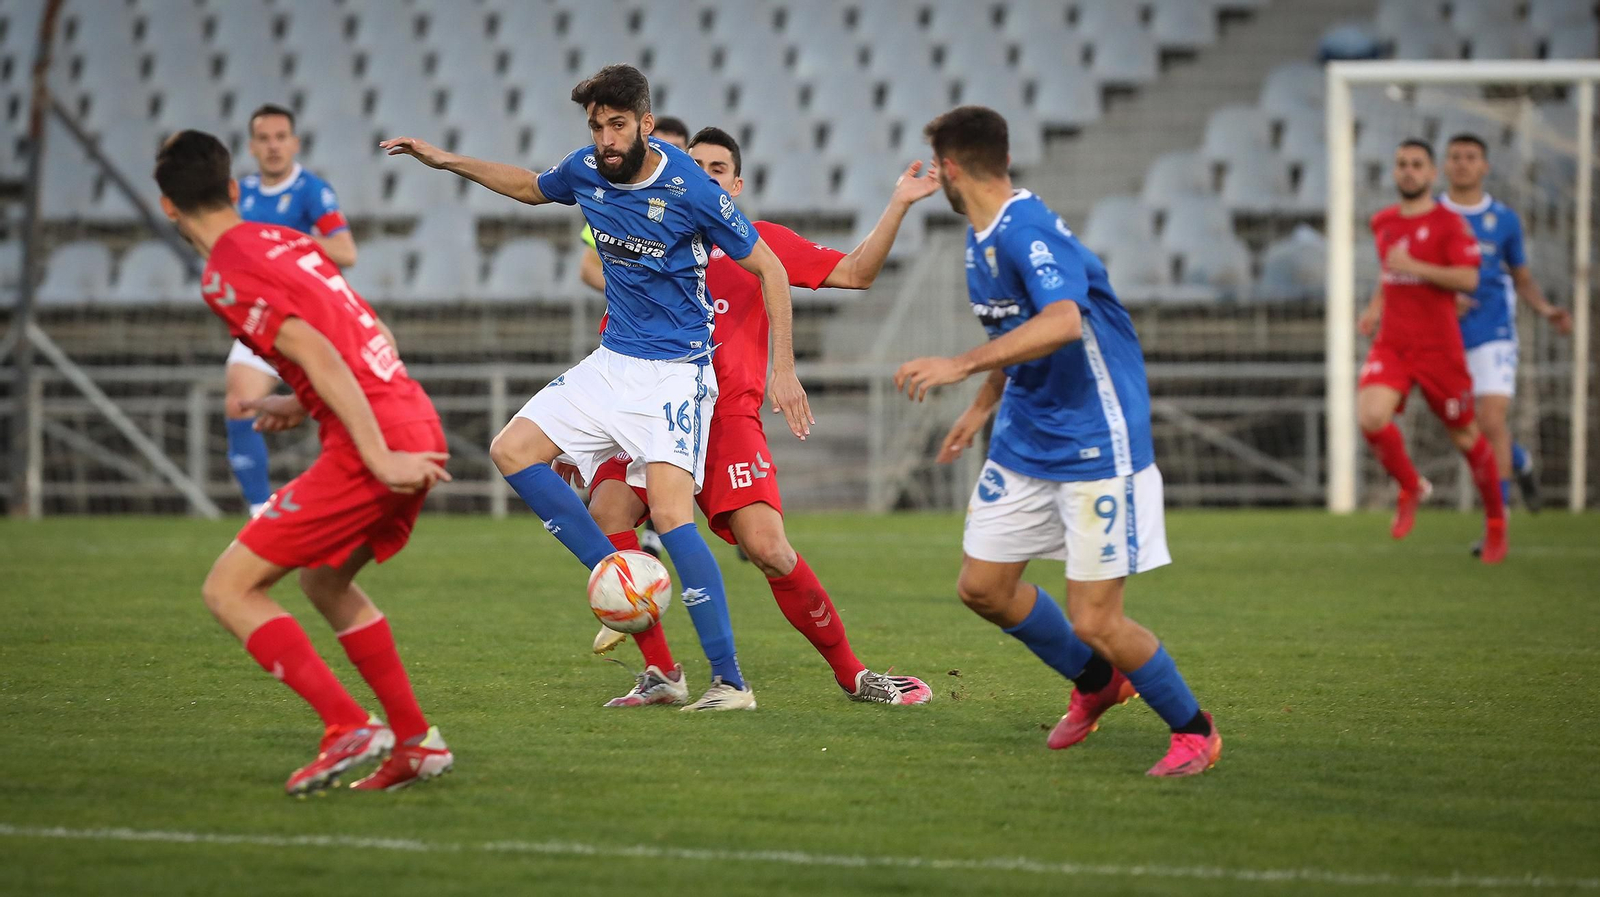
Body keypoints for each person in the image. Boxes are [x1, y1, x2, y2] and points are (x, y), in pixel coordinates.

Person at [381, 65, 811, 710]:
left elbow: (770, 266)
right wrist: (447, 162)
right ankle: (650, 647)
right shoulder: (586, 169)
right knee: (512, 450)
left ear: (644, 122)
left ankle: (731, 683)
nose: (606, 139)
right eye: (596, 127)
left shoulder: (690, 188)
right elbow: (529, 188)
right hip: (611, 363)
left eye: (617, 126)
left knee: (669, 517)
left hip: (675, 371)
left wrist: (784, 367)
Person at [894, 106, 1221, 777]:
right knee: (983, 585)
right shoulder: (979, 237)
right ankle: (1098, 682)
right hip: (1026, 438)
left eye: (938, 169)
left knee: (1097, 617)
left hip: (1096, 443)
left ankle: (1194, 728)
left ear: (953, 170)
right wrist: (984, 405)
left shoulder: (1027, 228)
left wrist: (960, 367)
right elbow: (1015, 333)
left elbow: (1064, 320)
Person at [585, 126, 938, 707]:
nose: (703, 174)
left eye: (717, 168)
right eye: (692, 164)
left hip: (724, 419)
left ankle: (855, 676)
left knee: (770, 548)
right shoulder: (645, 240)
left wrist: (898, 203)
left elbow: (856, 273)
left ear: (736, 184)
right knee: (608, 516)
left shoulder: (757, 243)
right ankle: (663, 674)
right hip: (650, 413)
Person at [155, 130, 452, 794]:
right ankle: (415, 742)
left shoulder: (224, 272)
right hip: (411, 411)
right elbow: (368, 329)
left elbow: (318, 349)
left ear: (168, 208)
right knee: (323, 580)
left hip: (374, 439)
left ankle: (348, 725)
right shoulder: (285, 239)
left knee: (229, 588)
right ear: (234, 189)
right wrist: (302, 400)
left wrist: (377, 454)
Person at [1357, 139, 1505, 563]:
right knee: (1370, 415)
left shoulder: (1450, 225)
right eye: (1401, 164)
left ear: (1431, 173)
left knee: (1465, 435)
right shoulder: (1382, 222)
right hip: (1394, 343)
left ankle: (1496, 523)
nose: (1408, 171)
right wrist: (1373, 310)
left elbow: (1469, 280)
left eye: (1416, 165)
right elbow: (1390, 276)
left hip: (1440, 349)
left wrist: (1417, 267)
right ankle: (1410, 486)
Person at [226, 104, 358, 516]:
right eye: (264, 139)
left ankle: (348, 498)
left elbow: (345, 250)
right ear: (251, 146)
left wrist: (286, 244)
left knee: (337, 411)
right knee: (238, 406)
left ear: (294, 143)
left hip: (308, 321)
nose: (273, 146)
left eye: (280, 137)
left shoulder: (310, 190)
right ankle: (257, 512)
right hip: (260, 321)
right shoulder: (238, 194)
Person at [1439, 133, 1573, 525]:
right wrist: (1444, 299)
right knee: (1461, 426)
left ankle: (1498, 518)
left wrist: (1547, 310)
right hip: (1444, 335)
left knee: (1491, 420)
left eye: (1470, 157)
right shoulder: (1432, 215)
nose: (1462, 163)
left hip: (1493, 330)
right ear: (1445, 165)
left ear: (1485, 167)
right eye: (1455, 157)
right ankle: (1519, 460)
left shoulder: (1505, 219)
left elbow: (1522, 277)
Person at [574, 117, 691, 560]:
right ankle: (632, 587)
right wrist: (634, 289)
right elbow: (588, 266)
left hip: (681, 367)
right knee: (609, 508)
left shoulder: (691, 203)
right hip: (626, 355)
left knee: (675, 506)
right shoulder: (619, 205)